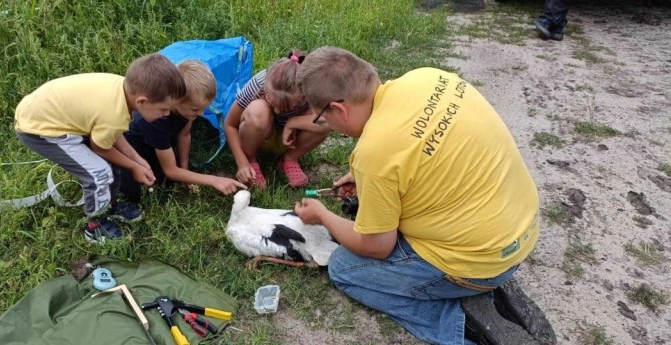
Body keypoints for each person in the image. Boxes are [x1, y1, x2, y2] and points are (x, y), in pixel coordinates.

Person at [293, 47, 540, 344]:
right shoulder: (427, 77)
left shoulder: (375, 153)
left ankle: (463, 326)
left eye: (323, 119)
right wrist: (370, 182)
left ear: (339, 109)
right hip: (521, 229)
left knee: (344, 268)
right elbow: (423, 157)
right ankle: (485, 286)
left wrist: (323, 215)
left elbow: (377, 248)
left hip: (478, 262)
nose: (328, 128)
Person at [15, 53, 186, 243]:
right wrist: (133, 166)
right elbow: (101, 148)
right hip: (41, 129)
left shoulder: (123, 92)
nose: (167, 114)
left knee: (111, 165)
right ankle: (95, 227)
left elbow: (113, 135)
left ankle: (109, 206)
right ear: (142, 102)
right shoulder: (113, 113)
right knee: (99, 173)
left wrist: (137, 159)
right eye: (163, 109)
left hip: (53, 114)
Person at [120, 60, 247, 200]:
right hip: (138, 152)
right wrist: (214, 180)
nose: (201, 114)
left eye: (203, 108)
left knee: (173, 178)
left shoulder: (188, 110)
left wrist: (185, 171)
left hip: (162, 145)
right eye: (195, 109)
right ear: (176, 99)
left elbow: (184, 135)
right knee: (146, 190)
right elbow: (171, 170)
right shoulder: (155, 119)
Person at [223, 50, 333, 189]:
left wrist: (293, 123)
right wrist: (242, 162)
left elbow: (330, 121)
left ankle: (290, 158)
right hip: (260, 135)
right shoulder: (258, 83)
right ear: (266, 89)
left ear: (302, 96)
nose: (278, 111)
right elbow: (230, 125)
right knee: (258, 111)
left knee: (326, 120)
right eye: (273, 104)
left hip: (292, 140)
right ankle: (251, 159)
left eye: (286, 107)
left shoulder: (311, 89)